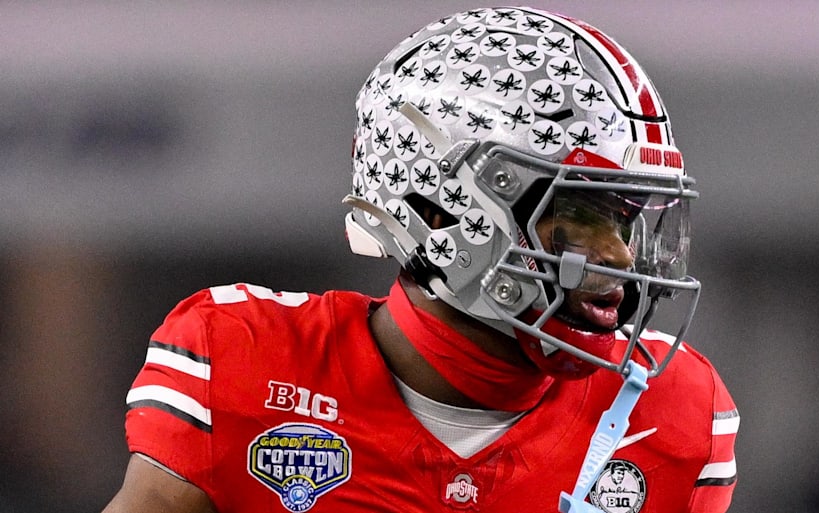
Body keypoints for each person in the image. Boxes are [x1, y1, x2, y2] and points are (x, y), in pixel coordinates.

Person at [103, 6, 739, 513]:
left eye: (623, 220)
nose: (619, 255)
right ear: (438, 210)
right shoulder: (242, 361)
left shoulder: (675, 412)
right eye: (577, 215)